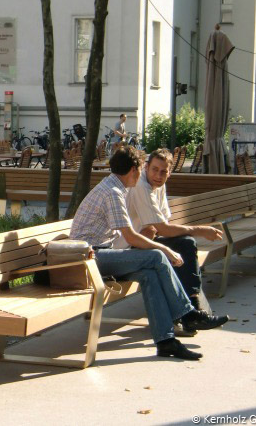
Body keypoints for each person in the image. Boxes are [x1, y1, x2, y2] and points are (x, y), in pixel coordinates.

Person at [70, 146, 228, 360]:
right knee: (157, 256)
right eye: (142, 168)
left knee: (149, 275)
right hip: (90, 258)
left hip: (103, 254)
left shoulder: (115, 187)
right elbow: (131, 237)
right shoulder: (112, 192)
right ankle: (188, 313)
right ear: (133, 170)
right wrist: (165, 248)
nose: (143, 174)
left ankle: (166, 341)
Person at [115, 148, 228, 335]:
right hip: (125, 248)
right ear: (146, 167)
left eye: (163, 172)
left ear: (169, 173)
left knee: (184, 244)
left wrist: (157, 230)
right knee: (178, 249)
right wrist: (200, 230)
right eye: (155, 169)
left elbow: (162, 226)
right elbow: (163, 229)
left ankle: (192, 310)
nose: (158, 175)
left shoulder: (158, 185)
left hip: (143, 241)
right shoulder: (141, 186)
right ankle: (189, 314)